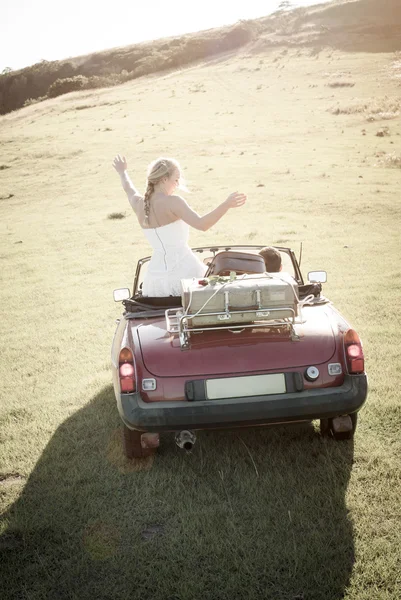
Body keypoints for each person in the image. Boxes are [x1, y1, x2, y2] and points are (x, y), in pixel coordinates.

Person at [112, 155, 246, 297]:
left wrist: (122, 172)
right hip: (186, 275)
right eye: (175, 180)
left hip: (154, 283)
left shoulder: (139, 204)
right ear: (164, 179)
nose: (177, 185)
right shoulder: (173, 201)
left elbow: (129, 189)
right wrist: (226, 205)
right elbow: (202, 224)